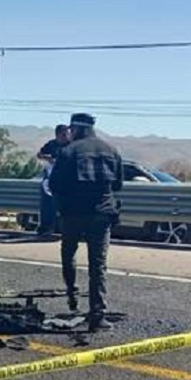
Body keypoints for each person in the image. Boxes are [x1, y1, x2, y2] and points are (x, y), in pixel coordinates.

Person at [49, 113, 123, 332]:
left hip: (73, 214)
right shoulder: (111, 150)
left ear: (76, 129)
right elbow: (118, 185)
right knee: (98, 265)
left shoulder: (68, 151)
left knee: (68, 253)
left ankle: (72, 293)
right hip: (102, 214)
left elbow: (54, 185)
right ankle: (97, 315)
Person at [36, 124, 71, 236]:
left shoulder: (71, 145)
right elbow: (39, 154)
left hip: (65, 180)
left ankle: (65, 229)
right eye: (64, 134)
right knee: (47, 203)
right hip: (50, 178)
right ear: (57, 135)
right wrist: (48, 158)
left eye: (68, 134)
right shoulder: (51, 144)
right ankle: (46, 227)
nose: (66, 137)